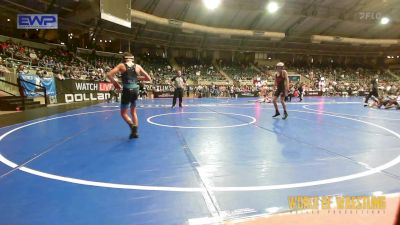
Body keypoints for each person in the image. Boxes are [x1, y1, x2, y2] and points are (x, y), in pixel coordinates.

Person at [107, 52, 151, 139]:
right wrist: (135, 78)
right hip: (135, 90)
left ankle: (131, 125)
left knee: (123, 113)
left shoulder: (121, 65)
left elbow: (109, 75)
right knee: (133, 112)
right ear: (132, 59)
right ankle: (135, 133)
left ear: (124, 58)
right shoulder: (138, 66)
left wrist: (115, 83)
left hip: (127, 90)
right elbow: (148, 78)